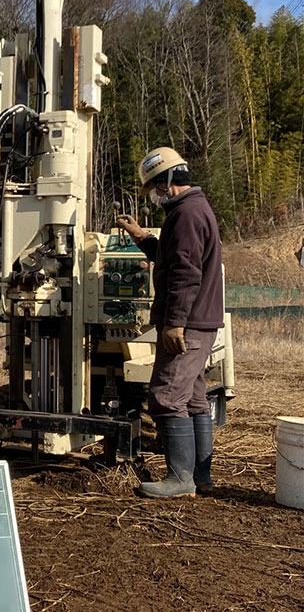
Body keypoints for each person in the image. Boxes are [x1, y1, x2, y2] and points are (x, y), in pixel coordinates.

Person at [116, 147, 224, 499]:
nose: (154, 196)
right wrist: (141, 236)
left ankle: (180, 480)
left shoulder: (187, 214)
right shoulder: (192, 210)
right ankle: (198, 476)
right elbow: (172, 256)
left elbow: (185, 273)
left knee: (166, 396)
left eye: (153, 188)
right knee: (192, 398)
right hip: (199, 322)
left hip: (187, 325)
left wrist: (174, 324)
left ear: (166, 181)